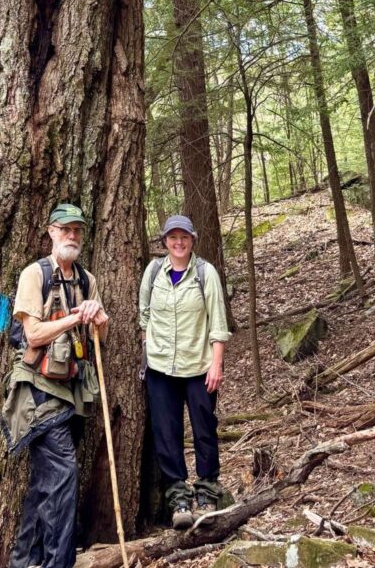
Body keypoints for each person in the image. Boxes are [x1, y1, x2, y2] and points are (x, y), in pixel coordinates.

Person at [0, 203, 109, 568]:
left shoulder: (87, 279)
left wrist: (99, 318)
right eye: (66, 229)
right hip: (38, 390)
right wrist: (74, 316)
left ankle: (24, 560)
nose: (73, 236)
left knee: (47, 481)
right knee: (64, 475)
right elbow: (32, 333)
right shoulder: (34, 275)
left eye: (78, 230)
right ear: (51, 232)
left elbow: (98, 335)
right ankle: (57, 563)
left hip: (74, 391)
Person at [139, 214, 230, 529]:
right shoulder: (153, 273)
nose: (178, 243)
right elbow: (144, 317)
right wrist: (149, 351)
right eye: (172, 237)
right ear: (165, 241)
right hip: (161, 368)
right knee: (167, 434)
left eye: (184, 237)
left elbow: (218, 323)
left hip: (199, 367)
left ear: (192, 239)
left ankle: (206, 492)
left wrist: (216, 363)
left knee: (204, 429)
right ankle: (179, 498)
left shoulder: (205, 274)